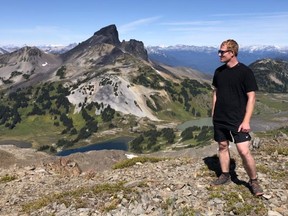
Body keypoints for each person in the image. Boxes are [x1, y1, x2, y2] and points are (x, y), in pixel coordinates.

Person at [211, 39, 263, 196]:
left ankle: (253, 181)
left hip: (238, 119)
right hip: (220, 118)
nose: (219, 54)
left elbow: (251, 97)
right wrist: (214, 113)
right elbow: (215, 93)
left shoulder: (245, 72)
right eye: (219, 51)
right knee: (222, 146)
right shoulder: (218, 72)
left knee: (243, 150)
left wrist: (246, 120)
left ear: (232, 53)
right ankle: (225, 175)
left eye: (222, 52)